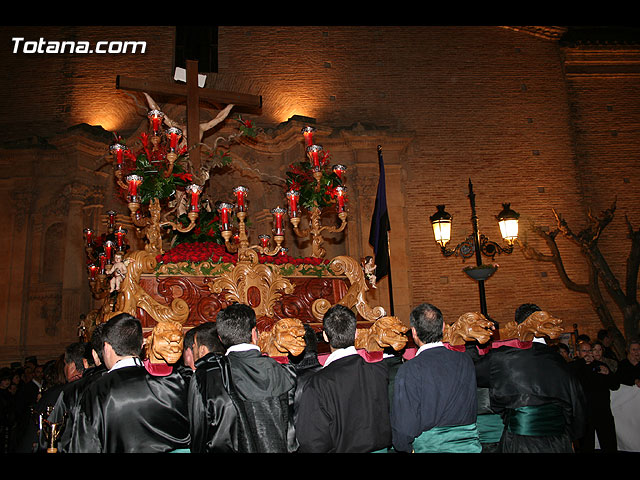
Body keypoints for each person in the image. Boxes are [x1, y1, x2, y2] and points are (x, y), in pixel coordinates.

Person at [69, 313, 190, 453]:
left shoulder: (96, 391)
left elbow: (86, 445)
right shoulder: (173, 380)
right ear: (141, 344)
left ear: (107, 347)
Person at [474, 303, 586, 453]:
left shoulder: (502, 358)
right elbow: (577, 405)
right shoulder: (560, 361)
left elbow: (470, 373)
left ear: (516, 325)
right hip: (559, 441)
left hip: (521, 442)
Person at [188, 304, 296, 453]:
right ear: (254, 334)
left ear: (220, 338)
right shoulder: (282, 371)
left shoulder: (205, 377)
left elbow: (198, 436)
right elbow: (290, 438)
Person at [295, 304, 392, 453]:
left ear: (326, 336)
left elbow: (312, 442)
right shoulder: (379, 370)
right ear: (356, 334)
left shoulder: (318, 383)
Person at [391, 303, 481, 453]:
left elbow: (404, 426)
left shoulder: (410, 369)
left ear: (413, 332)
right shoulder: (465, 361)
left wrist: (404, 447)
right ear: (443, 328)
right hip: (469, 447)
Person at [571, 340, 619, 452]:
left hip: (603, 412)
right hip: (584, 414)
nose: (588, 354)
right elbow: (566, 370)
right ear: (578, 353)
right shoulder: (576, 367)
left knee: (609, 444)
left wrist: (608, 374)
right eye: (584, 351)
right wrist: (583, 361)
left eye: (589, 351)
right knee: (586, 446)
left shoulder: (601, 366)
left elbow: (615, 386)